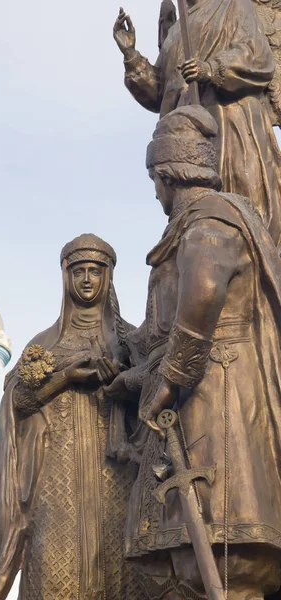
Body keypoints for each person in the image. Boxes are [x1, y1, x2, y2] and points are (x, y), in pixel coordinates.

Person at [117, 105, 281, 599]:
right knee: (194, 554)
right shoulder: (216, 219)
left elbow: (203, 294)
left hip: (221, 391)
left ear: (168, 173)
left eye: (155, 179)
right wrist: (135, 372)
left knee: (224, 540)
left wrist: (168, 380)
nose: (155, 192)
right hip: (211, 385)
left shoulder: (210, 220)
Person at [0, 234, 146, 600]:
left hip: (119, 476)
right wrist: (65, 378)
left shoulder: (131, 340)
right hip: (56, 480)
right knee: (53, 571)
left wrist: (124, 382)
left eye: (95, 271)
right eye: (79, 272)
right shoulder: (44, 344)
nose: (87, 279)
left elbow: (156, 394)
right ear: (66, 277)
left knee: (123, 568)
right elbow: (19, 404)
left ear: (108, 277)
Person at [113, 0, 281, 249]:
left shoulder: (233, 5)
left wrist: (211, 69)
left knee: (242, 214)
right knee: (197, 231)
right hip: (188, 139)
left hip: (231, 125)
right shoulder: (175, 31)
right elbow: (161, 93)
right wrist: (132, 56)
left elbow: (256, 55)